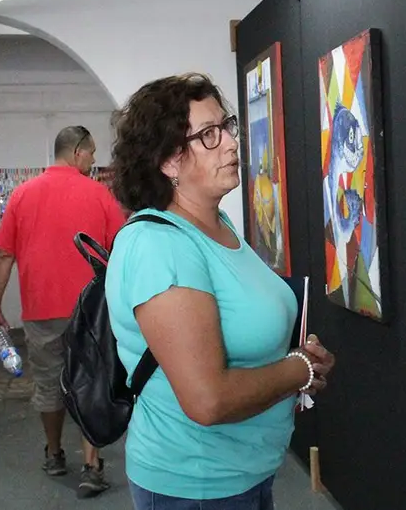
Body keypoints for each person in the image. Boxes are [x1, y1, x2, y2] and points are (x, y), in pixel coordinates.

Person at [106, 73, 336, 509]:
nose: (231, 142)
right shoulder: (160, 245)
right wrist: (298, 369)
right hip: (196, 485)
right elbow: (207, 400)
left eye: (227, 126)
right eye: (209, 135)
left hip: (245, 473)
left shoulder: (218, 225)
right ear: (169, 160)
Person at [0, 125, 125, 499]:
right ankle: (92, 465)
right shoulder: (99, 195)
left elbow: (3, 256)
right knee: (91, 381)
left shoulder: (22, 195)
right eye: (92, 154)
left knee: (48, 383)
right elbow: (121, 253)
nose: (94, 161)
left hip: (41, 308)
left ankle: (54, 453)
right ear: (77, 152)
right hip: (91, 311)